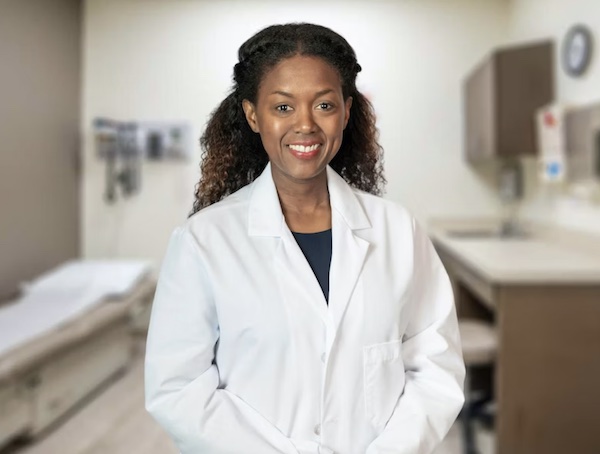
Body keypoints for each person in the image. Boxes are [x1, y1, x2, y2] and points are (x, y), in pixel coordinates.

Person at [145, 23, 465, 454]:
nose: (305, 125)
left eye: (324, 105)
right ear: (253, 115)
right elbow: (178, 388)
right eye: (282, 107)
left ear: (347, 112)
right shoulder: (204, 241)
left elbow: (435, 366)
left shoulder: (397, 231)